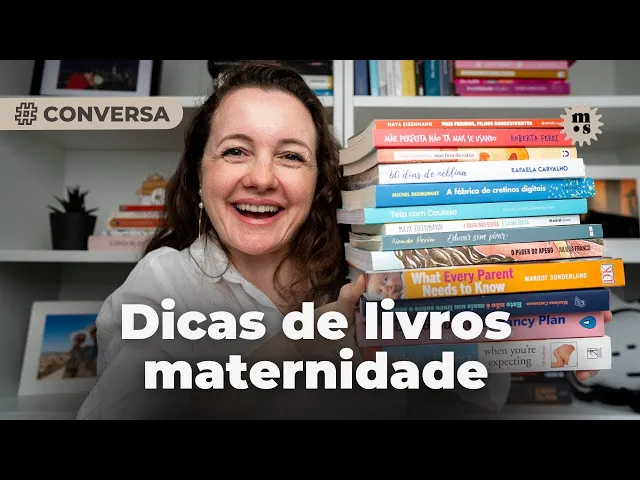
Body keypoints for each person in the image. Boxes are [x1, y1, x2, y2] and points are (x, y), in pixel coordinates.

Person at [76, 60, 608, 420]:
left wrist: (533, 317)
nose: (261, 178)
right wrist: (301, 346)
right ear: (199, 175)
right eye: (235, 150)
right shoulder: (162, 284)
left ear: (319, 184)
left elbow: (466, 397)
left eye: (291, 156)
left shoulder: (370, 272)